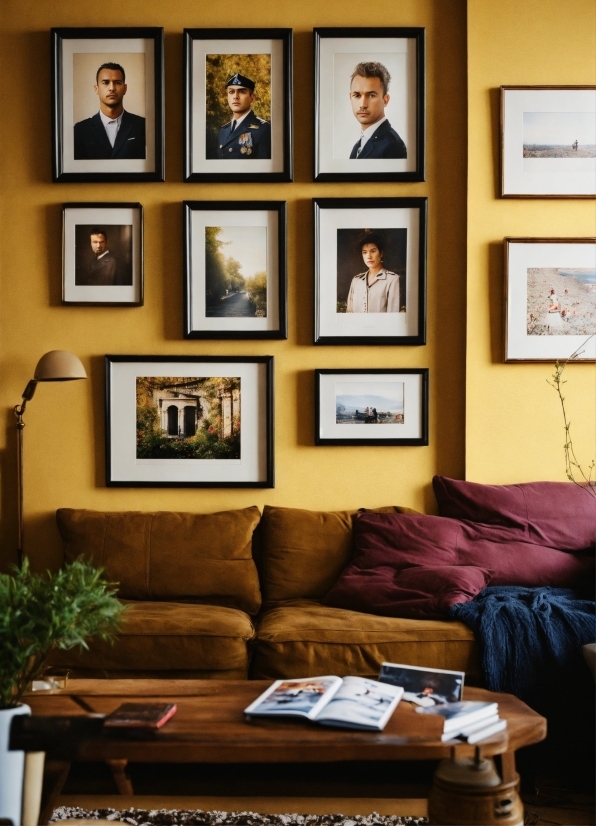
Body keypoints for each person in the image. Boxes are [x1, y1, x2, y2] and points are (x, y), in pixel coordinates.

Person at [74, 62, 146, 160]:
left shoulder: (142, 125)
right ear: (96, 89)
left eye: (117, 82)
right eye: (105, 82)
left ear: (125, 88)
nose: (112, 88)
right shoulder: (80, 130)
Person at [348, 62, 407, 160]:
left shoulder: (392, 146)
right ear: (350, 97)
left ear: (385, 100)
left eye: (371, 95)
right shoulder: (358, 146)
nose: (363, 104)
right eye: (357, 95)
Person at [216, 73, 271, 159]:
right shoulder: (223, 131)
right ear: (227, 97)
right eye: (231, 92)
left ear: (252, 98)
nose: (235, 97)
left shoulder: (264, 129)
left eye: (241, 92)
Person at [346, 233, 401, 313]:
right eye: (364, 252)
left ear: (381, 253)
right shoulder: (356, 280)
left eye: (373, 251)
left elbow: (393, 315)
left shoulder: (392, 279)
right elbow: (349, 312)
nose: (369, 256)